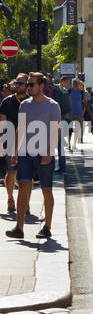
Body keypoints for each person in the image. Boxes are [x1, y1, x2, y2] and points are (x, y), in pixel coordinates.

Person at [6, 77, 62, 240]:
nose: (28, 87)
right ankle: (19, 227)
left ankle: (47, 227)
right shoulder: (25, 105)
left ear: (42, 86)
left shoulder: (52, 105)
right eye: (27, 84)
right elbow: (20, 129)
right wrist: (15, 152)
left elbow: (56, 130)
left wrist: (49, 152)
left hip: (44, 153)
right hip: (25, 153)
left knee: (46, 189)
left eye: (31, 84)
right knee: (23, 186)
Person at [0, 77, 28, 215]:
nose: (17, 85)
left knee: (26, 175)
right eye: (16, 83)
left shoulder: (31, 101)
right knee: (11, 173)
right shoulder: (7, 101)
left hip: (29, 143)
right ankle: (11, 199)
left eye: (21, 83)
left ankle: (25, 201)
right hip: (9, 141)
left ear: (27, 85)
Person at [65, 78, 86, 150]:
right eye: (74, 82)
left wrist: (83, 112)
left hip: (79, 113)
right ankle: (69, 144)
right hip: (70, 113)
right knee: (69, 129)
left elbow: (84, 103)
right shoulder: (69, 91)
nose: (75, 84)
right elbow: (66, 101)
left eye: (76, 82)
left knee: (77, 129)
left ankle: (74, 144)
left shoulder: (81, 92)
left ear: (78, 83)